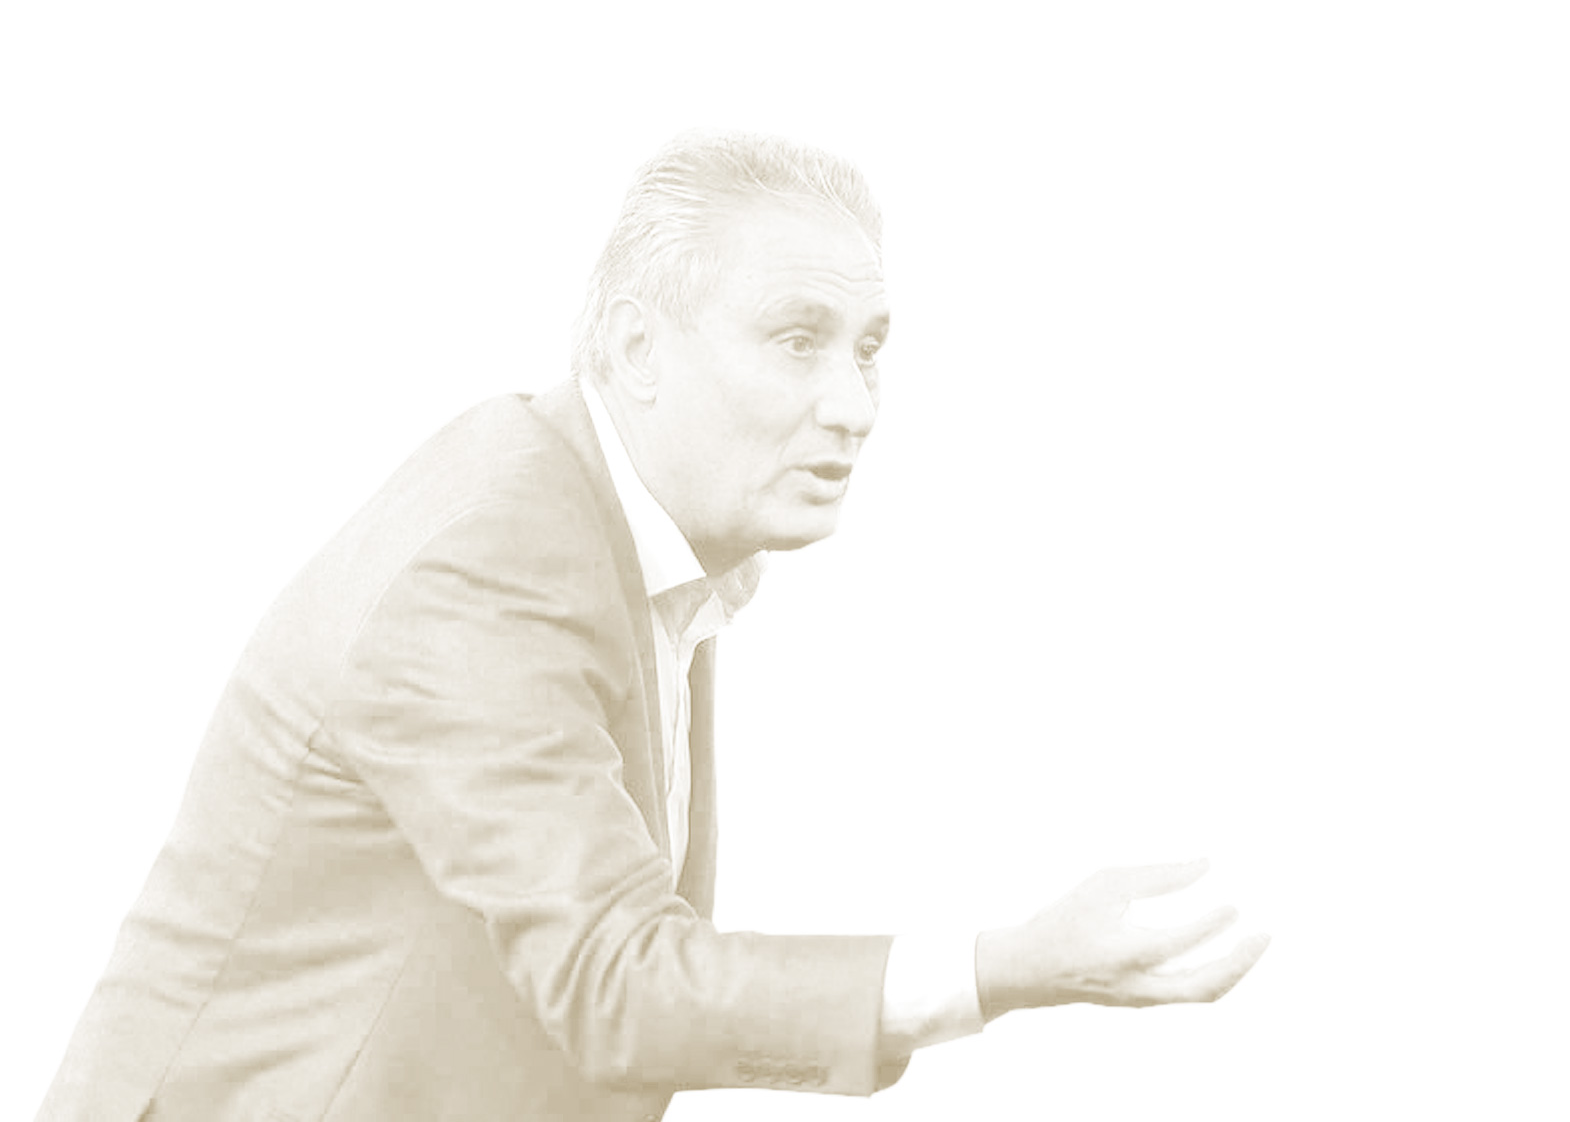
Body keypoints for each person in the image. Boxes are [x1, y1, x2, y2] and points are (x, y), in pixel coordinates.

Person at [37, 131, 1269, 1121]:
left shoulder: (643, 539)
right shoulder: (491, 556)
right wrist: (1005, 967)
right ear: (635, 347)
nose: (854, 404)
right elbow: (616, 983)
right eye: (798, 340)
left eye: (868, 350)